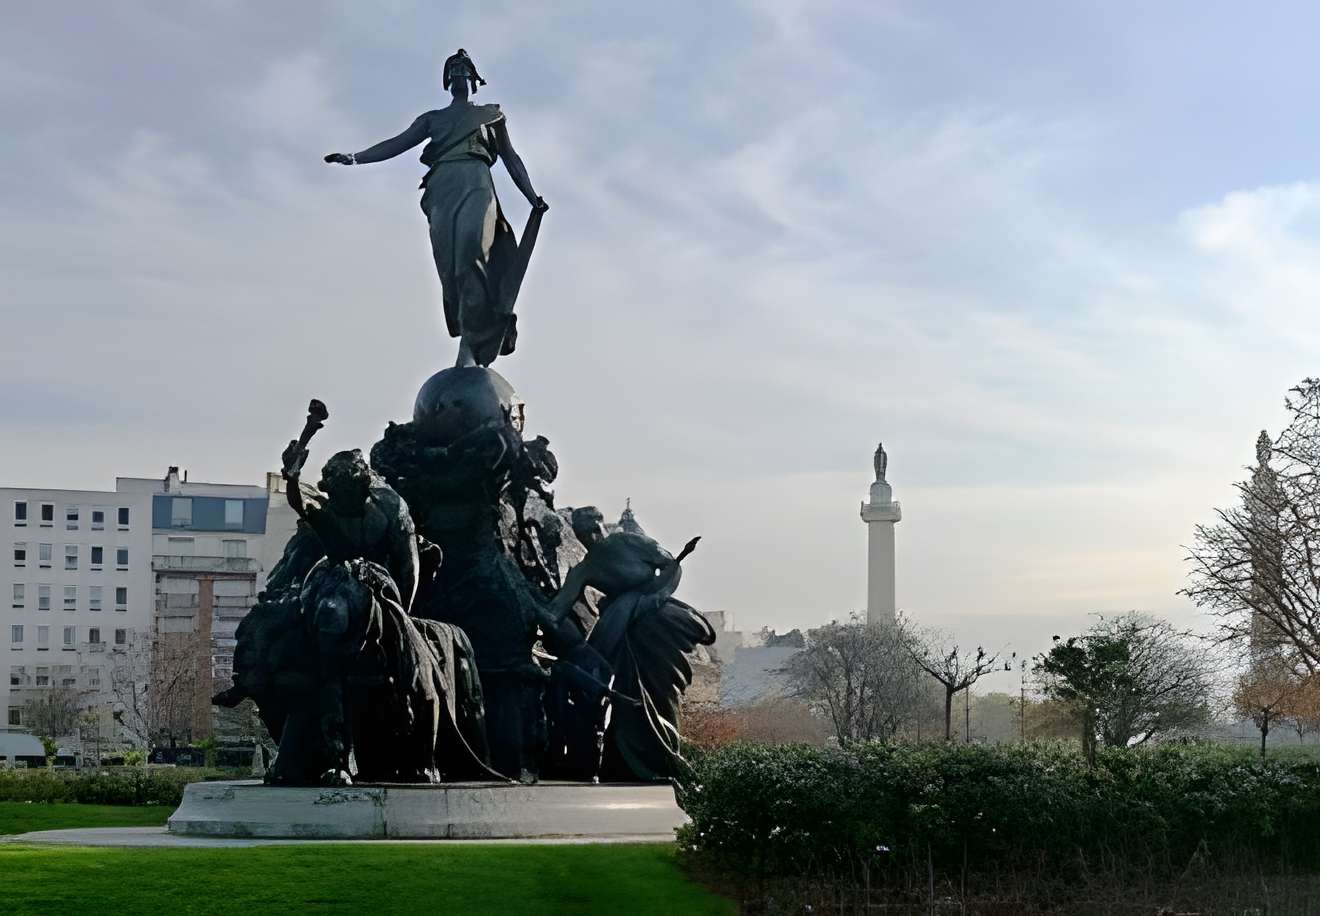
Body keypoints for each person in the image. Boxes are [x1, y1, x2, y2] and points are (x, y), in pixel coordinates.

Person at [325, 49, 548, 368]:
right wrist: (355, 157)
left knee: (472, 247)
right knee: (451, 266)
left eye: (464, 69)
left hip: (476, 181)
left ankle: (481, 331)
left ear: (473, 80)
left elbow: (511, 158)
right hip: (441, 186)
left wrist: (531, 196)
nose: (458, 72)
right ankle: (468, 340)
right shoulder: (433, 119)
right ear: (446, 81)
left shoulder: (490, 114)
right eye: (453, 69)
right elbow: (396, 143)